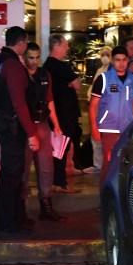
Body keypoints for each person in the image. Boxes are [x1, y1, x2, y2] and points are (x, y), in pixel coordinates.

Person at [0, 26, 39, 234]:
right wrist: (32, 133)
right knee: (11, 173)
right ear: (22, 42)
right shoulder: (12, 65)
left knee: (12, 172)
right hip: (11, 124)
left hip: (1, 120)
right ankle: (9, 221)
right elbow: (19, 102)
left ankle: (16, 217)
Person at [23, 42, 66, 222]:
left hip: (41, 123)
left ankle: (46, 207)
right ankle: (20, 208)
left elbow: (50, 101)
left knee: (46, 167)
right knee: (23, 169)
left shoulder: (44, 74)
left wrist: (56, 125)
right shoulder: (20, 73)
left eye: (37, 57)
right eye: (30, 57)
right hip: (25, 125)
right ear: (24, 57)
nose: (34, 61)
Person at [90, 45, 133, 186]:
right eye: (118, 60)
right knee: (108, 164)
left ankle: (121, 199)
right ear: (112, 61)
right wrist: (94, 127)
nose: (121, 63)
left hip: (128, 128)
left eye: (124, 60)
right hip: (108, 128)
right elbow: (93, 104)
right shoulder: (103, 79)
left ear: (128, 60)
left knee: (127, 164)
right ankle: (105, 200)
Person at [42, 33, 82, 193]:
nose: (67, 48)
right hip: (65, 113)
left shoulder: (46, 67)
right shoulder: (62, 67)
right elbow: (78, 84)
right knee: (62, 149)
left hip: (53, 113)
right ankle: (60, 182)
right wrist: (71, 83)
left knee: (56, 149)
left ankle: (55, 181)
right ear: (56, 45)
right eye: (65, 45)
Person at [84, 45, 113, 173]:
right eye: (103, 55)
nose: (105, 57)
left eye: (107, 54)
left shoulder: (112, 71)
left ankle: (105, 165)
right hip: (96, 107)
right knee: (96, 138)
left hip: (105, 108)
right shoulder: (100, 70)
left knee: (106, 138)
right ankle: (98, 164)